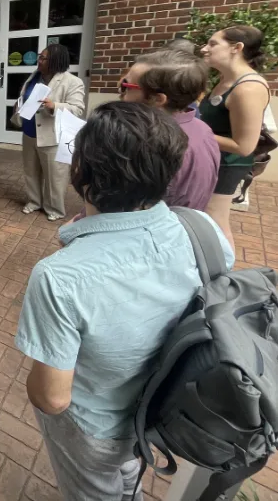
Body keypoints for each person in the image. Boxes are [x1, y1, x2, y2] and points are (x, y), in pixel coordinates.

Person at [15, 102, 234, 501]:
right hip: (162, 407)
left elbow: (52, 397)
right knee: (128, 470)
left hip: (94, 426)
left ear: (80, 172)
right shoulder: (202, 228)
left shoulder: (58, 278)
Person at [120, 49, 220, 210]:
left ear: (157, 99)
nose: (122, 93)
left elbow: (123, 210)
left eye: (126, 86)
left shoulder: (149, 143)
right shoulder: (202, 129)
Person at [199, 26, 270, 249]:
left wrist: (194, 131)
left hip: (228, 165)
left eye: (212, 44)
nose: (204, 49)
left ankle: (223, 275)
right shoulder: (224, 81)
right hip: (213, 160)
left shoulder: (248, 88)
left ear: (236, 48)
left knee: (215, 220)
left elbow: (244, 146)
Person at [13, 44, 85, 221]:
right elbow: (25, 97)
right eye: (40, 56)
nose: (39, 60)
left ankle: (54, 209)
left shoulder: (72, 82)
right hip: (29, 133)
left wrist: (54, 106)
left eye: (44, 58)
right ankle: (34, 201)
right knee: (31, 171)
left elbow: (78, 109)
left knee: (55, 176)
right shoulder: (34, 77)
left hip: (52, 137)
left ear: (56, 61)